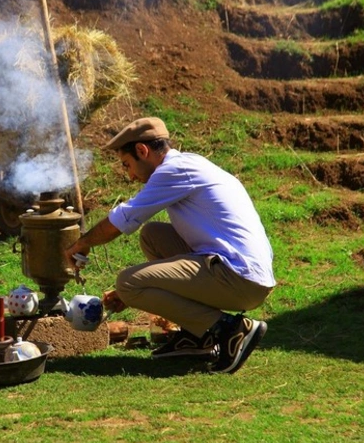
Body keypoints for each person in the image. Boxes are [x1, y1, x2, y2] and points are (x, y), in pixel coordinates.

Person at [66, 117, 276, 374]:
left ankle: (230, 329)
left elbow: (124, 218)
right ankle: (199, 336)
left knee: (128, 283)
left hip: (240, 278)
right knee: (153, 235)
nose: (130, 175)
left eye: (127, 165)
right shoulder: (188, 163)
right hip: (238, 270)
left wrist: (83, 243)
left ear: (142, 151)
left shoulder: (173, 171)